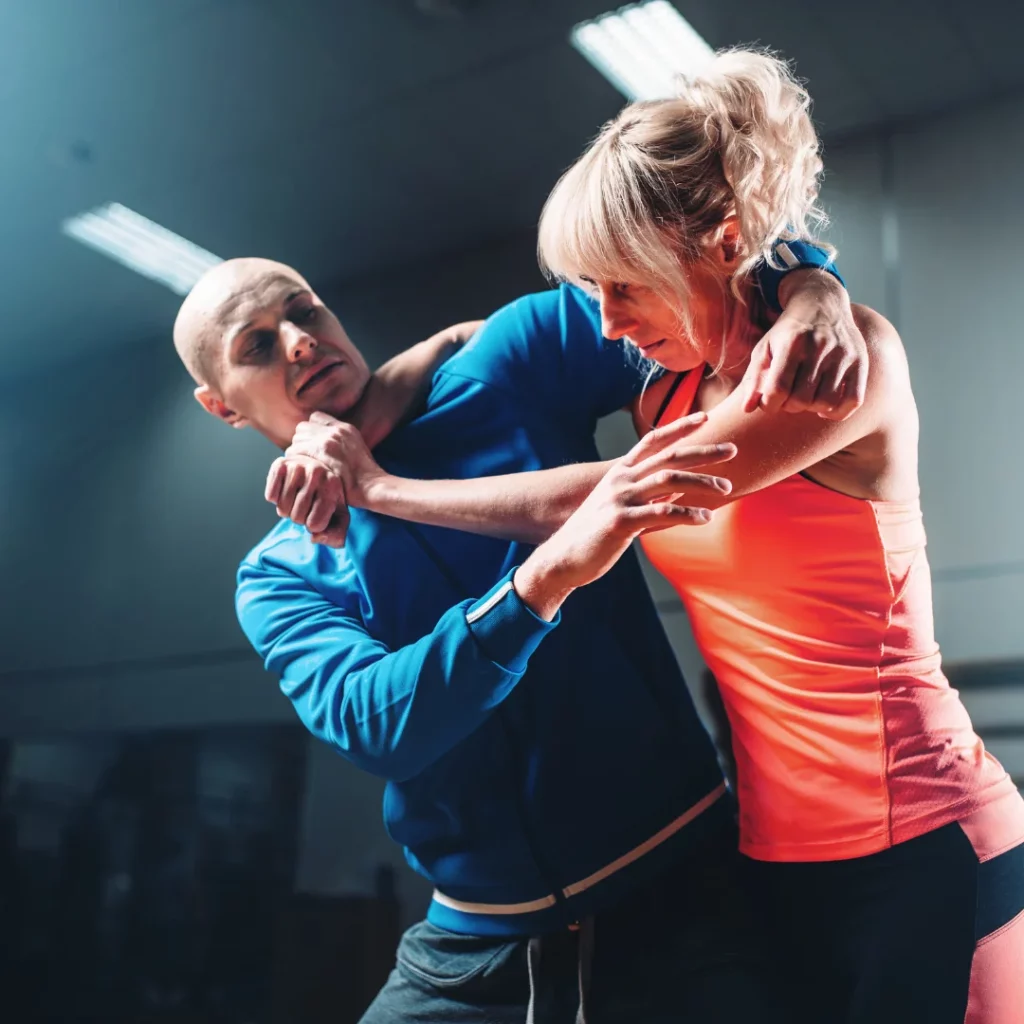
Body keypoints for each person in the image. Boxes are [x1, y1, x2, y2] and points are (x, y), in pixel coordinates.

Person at [277, 51, 1024, 1024]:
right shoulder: (660, 382)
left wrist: (380, 490)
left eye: (622, 285)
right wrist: (807, 277)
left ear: (718, 242)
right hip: (769, 849)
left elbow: (598, 500)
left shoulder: (839, 369)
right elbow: (476, 342)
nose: (606, 319)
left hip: (920, 839)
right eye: (590, 288)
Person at [174, 243, 860, 1022]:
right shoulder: (278, 575)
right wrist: (545, 578)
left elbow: (702, 282)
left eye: (302, 309)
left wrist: (812, 289)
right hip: (474, 948)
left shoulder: (501, 365)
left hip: (686, 890)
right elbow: (382, 725)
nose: (300, 340)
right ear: (221, 405)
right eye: (258, 346)